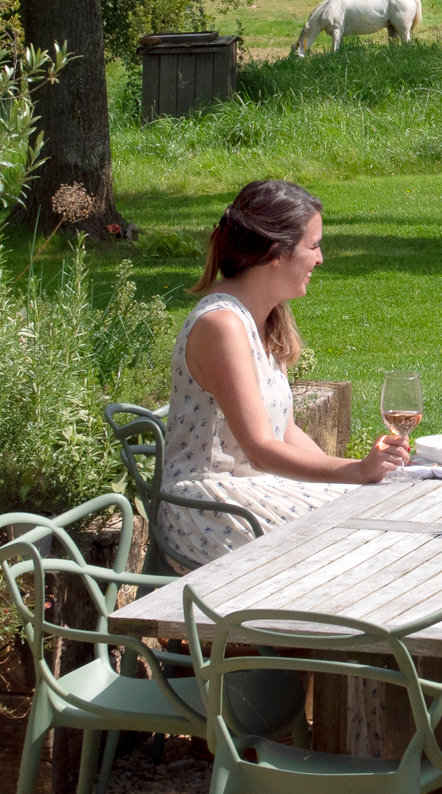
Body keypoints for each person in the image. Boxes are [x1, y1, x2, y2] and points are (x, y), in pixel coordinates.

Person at [157, 180, 411, 569]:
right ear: (276, 252)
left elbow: (285, 431)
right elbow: (261, 447)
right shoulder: (221, 325)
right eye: (313, 246)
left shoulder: (267, 319)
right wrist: (356, 471)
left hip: (256, 491)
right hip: (210, 505)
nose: (321, 258)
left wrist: (352, 477)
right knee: (363, 542)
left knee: (382, 512)